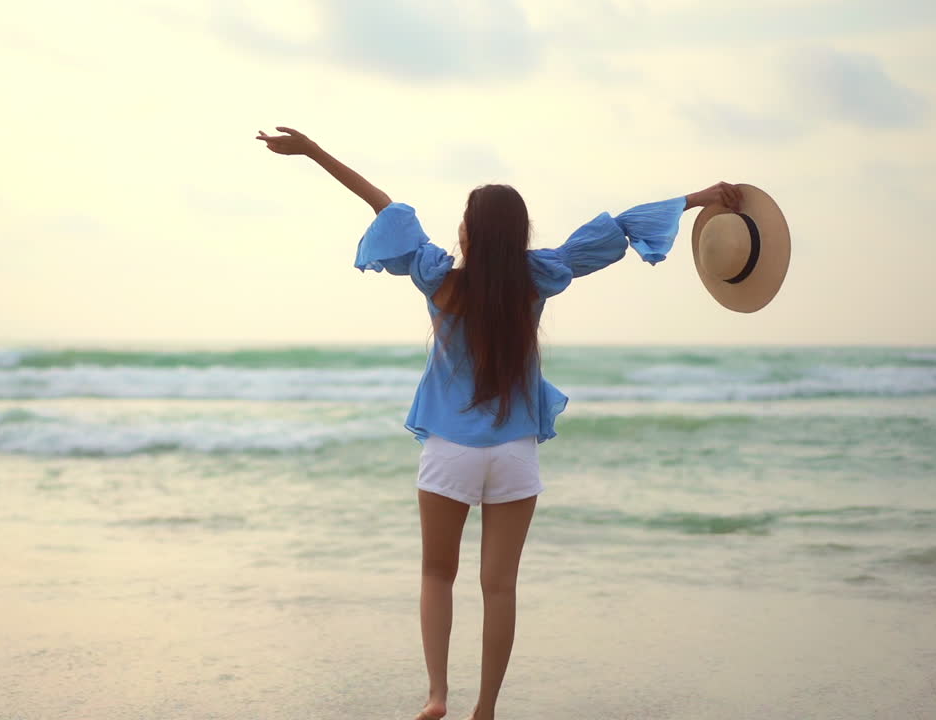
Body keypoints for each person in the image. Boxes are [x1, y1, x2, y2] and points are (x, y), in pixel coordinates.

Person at [256, 126, 741, 720]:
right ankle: (485, 709)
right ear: (520, 235)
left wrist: (312, 151)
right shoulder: (540, 276)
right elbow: (620, 226)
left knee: (437, 574)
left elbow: (383, 205)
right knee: (500, 587)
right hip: (513, 452)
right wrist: (702, 197)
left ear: (467, 232)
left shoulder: (439, 278)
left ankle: (437, 695)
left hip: (449, 451)